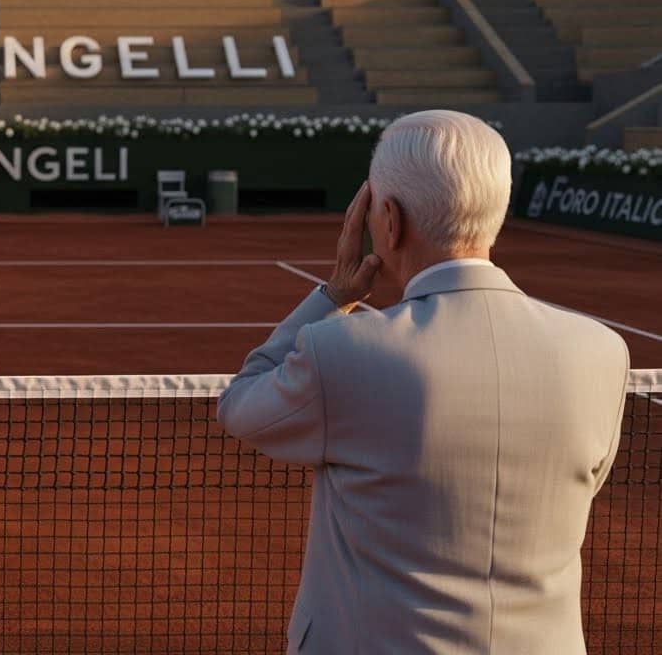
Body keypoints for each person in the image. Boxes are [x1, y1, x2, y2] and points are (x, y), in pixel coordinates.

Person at [217, 109, 630, 654]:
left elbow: (242, 404)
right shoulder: (603, 352)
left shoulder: (344, 351)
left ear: (387, 219)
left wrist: (335, 295)